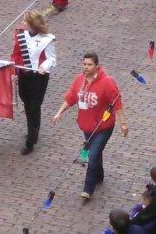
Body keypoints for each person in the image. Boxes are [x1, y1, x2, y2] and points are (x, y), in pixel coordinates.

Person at [52, 52, 127, 201]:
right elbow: (71, 98)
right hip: (86, 126)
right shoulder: (79, 80)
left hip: (103, 127)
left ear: (97, 66)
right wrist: (59, 112)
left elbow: (117, 103)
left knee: (92, 155)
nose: (86, 67)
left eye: (90, 64)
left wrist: (123, 124)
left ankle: (88, 189)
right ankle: (99, 175)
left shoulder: (107, 82)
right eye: (84, 64)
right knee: (96, 153)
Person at [11, 10, 56, 155]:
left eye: (25, 21)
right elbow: (16, 54)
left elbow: (52, 59)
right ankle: (32, 127)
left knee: (34, 106)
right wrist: (15, 68)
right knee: (26, 101)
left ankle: (31, 140)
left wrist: (44, 67)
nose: (22, 23)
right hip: (25, 75)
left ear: (31, 24)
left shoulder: (47, 39)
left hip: (39, 77)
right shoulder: (20, 35)